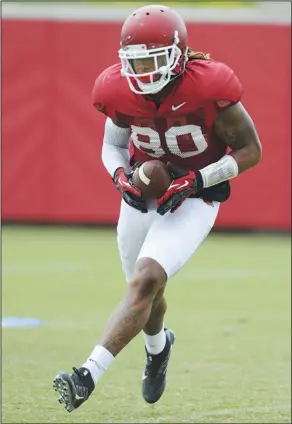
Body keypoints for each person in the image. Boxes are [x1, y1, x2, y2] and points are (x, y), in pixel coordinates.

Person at [53, 4, 262, 413]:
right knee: (146, 290)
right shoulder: (115, 89)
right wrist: (120, 178)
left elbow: (251, 150)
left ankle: (86, 375)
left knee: (145, 280)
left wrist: (197, 180)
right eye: (137, 62)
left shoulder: (209, 85)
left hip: (196, 194)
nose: (145, 72)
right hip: (144, 189)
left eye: (154, 59)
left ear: (179, 54)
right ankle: (158, 345)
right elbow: (112, 145)